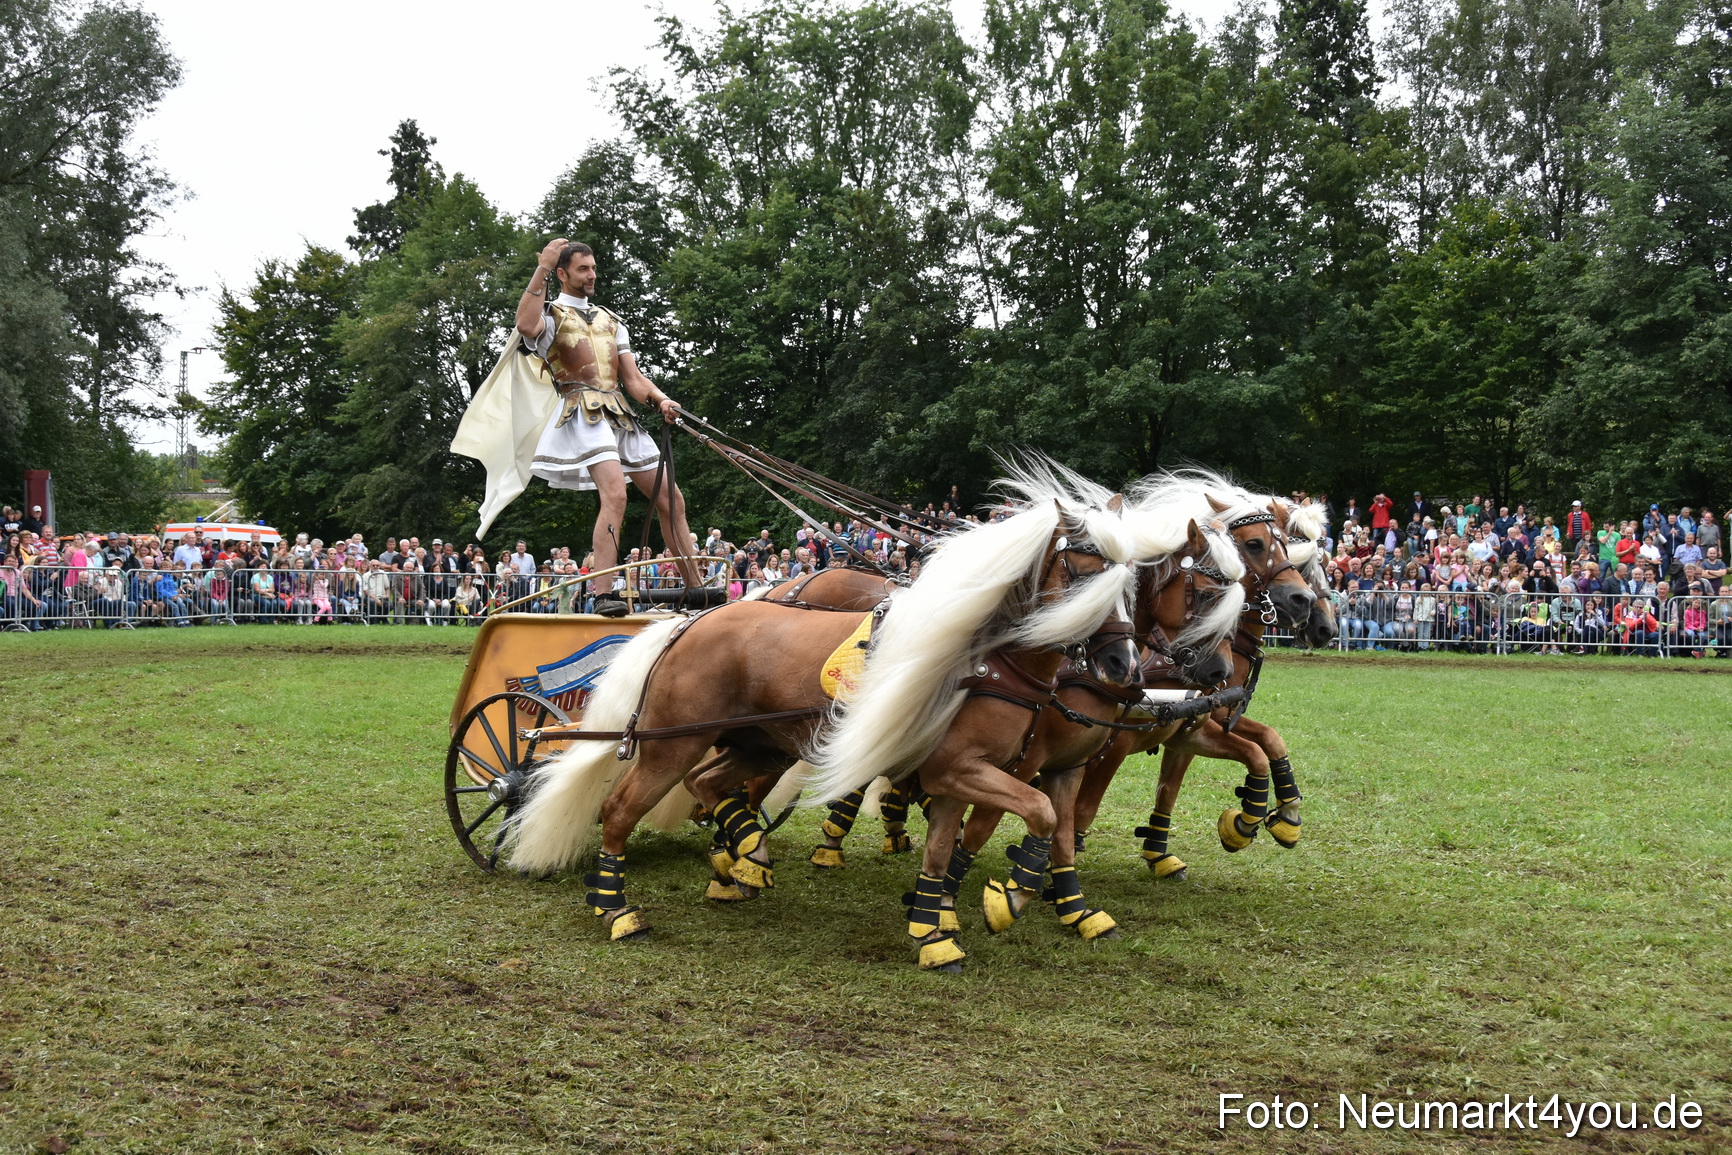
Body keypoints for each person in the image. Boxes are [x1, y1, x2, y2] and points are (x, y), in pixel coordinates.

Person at [507, 238, 704, 612]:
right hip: (581, 410)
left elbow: (633, 379)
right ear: (563, 274)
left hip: (619, 412)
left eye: (593, 267)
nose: (592, 274)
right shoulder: (550, 316)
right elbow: (524, 324)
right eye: (583, 269)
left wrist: (661, 399)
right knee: (615, 494)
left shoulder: (611, 320)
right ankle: (603, 595)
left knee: (671, 498)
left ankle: (696, 589)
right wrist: (542, 267)